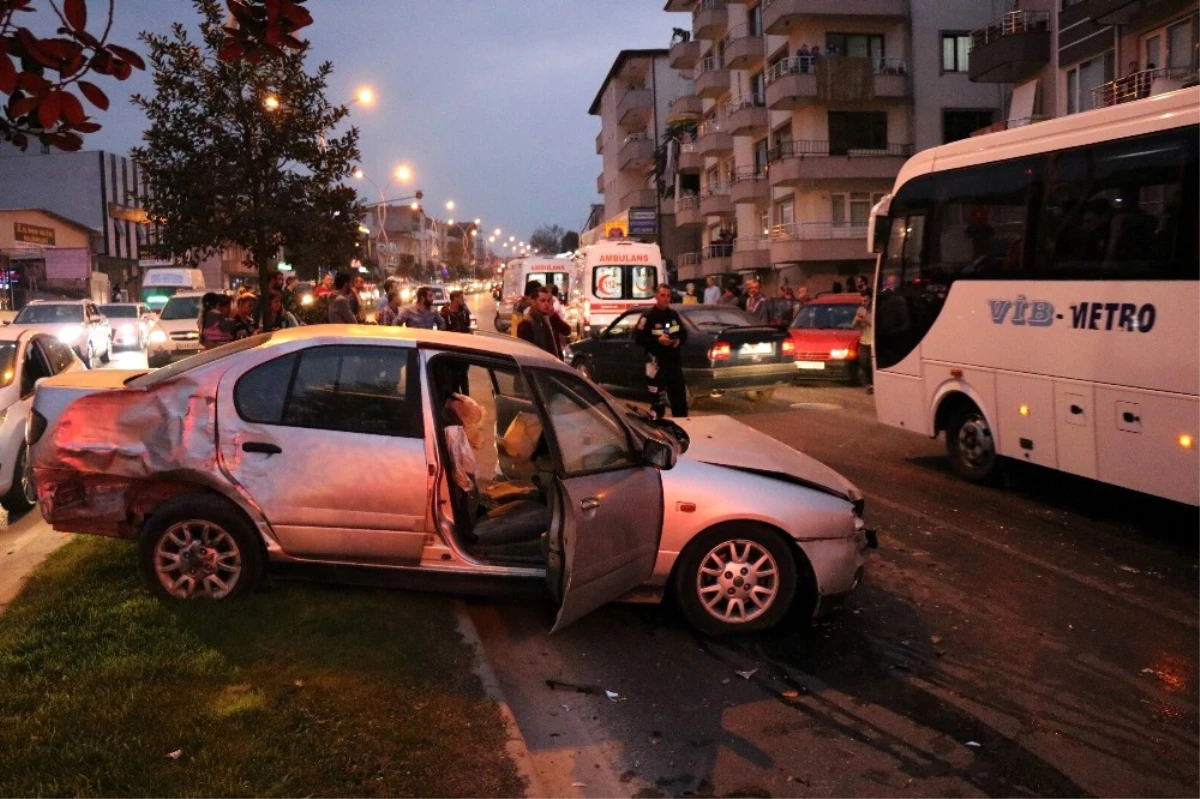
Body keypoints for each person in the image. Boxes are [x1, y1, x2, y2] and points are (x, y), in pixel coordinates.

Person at [636, 284, 688, 420]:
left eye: (668, 296)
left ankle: (683, 430)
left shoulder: (673, 315)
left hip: (673, 363)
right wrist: (657, 341)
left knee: (679, 400)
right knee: (658, 402)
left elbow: (683, 333)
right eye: (662, 295)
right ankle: (657, 431)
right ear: (656, 296)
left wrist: (677, 340)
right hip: (656, 363)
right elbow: (638, 338)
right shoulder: (648, 316)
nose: (666, 299)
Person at [517, 286, 567, 358]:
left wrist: (553, 315)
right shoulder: (526, 324)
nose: (547, 304)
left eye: (549, 300)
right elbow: (528, 353)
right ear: (534, 302)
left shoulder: (550, 318)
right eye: (542, 301)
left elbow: (566, 331)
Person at [853, 289, 874, 394]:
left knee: (871, 363)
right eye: (862, 300)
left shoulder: (874, 309)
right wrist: (857, 320)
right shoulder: (860, 309)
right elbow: (853, 325)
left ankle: (871, 384)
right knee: (863, 362)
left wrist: (865, 320)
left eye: (865, 300)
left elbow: (875, 324)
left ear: (870, 299)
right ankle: (868, 383)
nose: (863, 303)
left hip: (872, 341)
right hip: (863, 339)